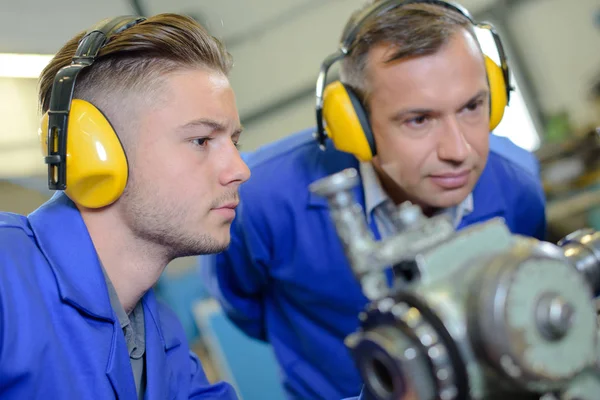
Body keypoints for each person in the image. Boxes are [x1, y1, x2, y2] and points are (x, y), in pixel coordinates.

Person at [201, 1, 547, 399]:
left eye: (472, 106)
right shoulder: (259, 201)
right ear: (354, 124)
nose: (459, 149)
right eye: (418, 119)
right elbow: (243, 307)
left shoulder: (518, 188)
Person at [0, 14, 250, 399]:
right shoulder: (6, 278)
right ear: (94, 153)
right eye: (201, 140)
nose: (239, 170)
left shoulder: (159, 334)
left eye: (234, 141)